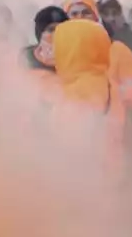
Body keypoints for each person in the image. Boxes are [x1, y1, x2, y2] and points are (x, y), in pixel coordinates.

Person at [51, 20, 126, 176]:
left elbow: (70, 144)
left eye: (60, 45)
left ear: (72, 48)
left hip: (85, 181)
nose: (54, 51)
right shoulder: (105, 82)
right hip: (111, 173)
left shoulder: (79, 90)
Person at [62, 0, 132, 113]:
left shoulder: (118, 51)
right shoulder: (59, 54)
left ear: (96, 18)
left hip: (112, 126)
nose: (80, 17)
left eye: (86, 13)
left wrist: (108, 92)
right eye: (74, 14)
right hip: (70, 128)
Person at [24, 6, 66, 71]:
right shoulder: (27, 58)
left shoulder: (74, 56)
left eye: (61, 29)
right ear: (40, 33)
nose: (56, 33)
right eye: (51, 29)